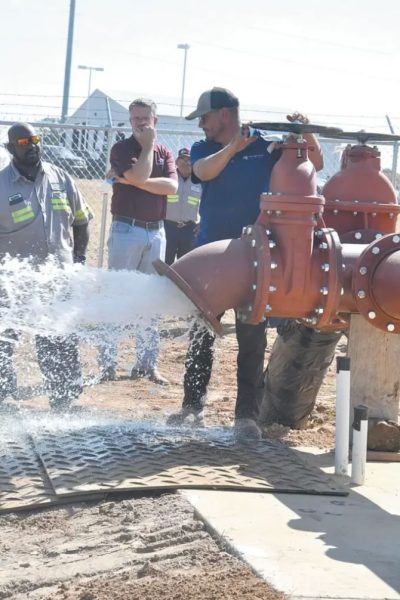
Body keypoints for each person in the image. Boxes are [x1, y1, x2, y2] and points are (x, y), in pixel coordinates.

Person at [167, 87, 323, 441]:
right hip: (212, 256)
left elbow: (315, 165)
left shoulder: (265, 147)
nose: (201, 124)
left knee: (252, 338)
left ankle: (246, 418)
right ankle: (192, 408)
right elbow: (204, 172)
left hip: (256, 257)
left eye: (204, 117)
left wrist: (306, 134)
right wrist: (234, 147)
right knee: (201, 335)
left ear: (224, 114)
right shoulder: (204, 148)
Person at [0, 122, 92, 411]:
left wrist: (78, 261)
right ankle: (5, 396)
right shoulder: (2, 185)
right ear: (10, 148)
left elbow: (81, 220)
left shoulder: (60, 177)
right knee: (4, 340)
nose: (32, 146)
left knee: (59, 338)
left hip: (58, 280)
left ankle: (64, 399)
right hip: (16, 282)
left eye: (35, 140)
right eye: (24, 142)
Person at [101, 98, 178, 385]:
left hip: (156, 232)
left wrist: (131, 181)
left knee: (151, 300)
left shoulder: (165, 152)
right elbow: (139, 172)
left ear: (155, 120)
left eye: (146, 118)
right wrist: (145, 150)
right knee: (117, 295)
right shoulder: (122, 149)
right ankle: (107, 364)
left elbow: (171, 187)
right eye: (135, 119)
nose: (141, 123)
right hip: (126, 229)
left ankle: (147, 365)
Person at [164, 147, 201, 265]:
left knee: (185, 266)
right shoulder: (169, 178)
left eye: (189, 160)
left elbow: (207, 203)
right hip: (168, 228)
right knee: (165, 264)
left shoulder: (200, 181)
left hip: (189, 229)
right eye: (182, 160)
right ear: (176, 162)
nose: (186, 163)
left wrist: (202, 223)